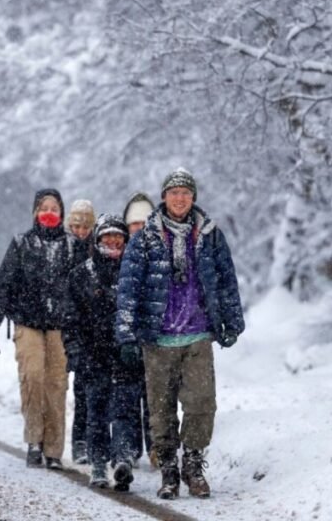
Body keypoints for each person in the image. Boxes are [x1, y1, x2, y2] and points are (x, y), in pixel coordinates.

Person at [115, 168, 245, 499]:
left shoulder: (210, 235)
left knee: (202, 404)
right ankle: (169, 470)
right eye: (174, 193)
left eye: (186, 193)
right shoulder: (145, 238)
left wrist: (233, 321)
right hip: (157, 338)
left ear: (193, 198)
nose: (180, 198)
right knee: (161, 410)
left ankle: (193, 464)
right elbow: (128, 288)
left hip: (198, 335)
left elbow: (226, 280)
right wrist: (126, 333)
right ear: (164, 198)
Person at [0, 189, 82, 469]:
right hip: (27, 322)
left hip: (60, 325)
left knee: (57, 384)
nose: (49, 213)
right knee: (32, 378)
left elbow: (83, 288)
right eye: (44, 208)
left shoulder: (73, 246)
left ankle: (53, 449)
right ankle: (33, 440)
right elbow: (3, 284)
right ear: (35, 212)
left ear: (62, 213)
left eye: (54, 208)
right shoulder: (22, 243)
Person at [62, 214, 136, 489]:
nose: (113, 241)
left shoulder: (134, 272)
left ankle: (123, 459)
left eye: (118, 236)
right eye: (107, 236)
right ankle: (98, 463)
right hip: (93, 354)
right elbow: (70, 319)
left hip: (127, 354)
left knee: (125, 409)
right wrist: (76, 352)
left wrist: (138, 345)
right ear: (97, 240)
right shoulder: (81, 275)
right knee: (97, 411)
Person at [121, 191, 156, 469]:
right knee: (129, 394)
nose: (139, 228)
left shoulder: (161, 252)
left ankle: (157, 446)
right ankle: (131, 448)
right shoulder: (116, 251)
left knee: (155, 394)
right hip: (128, 334)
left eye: (144, 222)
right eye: (134, 223)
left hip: (155, 334)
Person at [65, 199, 96, 465]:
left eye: (85, 227)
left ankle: (92, 439)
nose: (80, 231)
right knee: (80, 388)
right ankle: (79, 441)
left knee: (93, 388)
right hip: (72, 323)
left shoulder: (97, 248)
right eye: (76, 226)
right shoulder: (63, 248)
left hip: (93, 324)